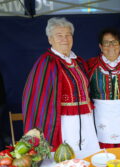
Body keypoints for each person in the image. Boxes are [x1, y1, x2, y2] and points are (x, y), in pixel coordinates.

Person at [22, 17, 100, 152]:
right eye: (59, 35)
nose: (65, 39)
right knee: (68, 156)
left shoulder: (78, 61)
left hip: (86, 119)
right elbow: (38, 98)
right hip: (63, 122)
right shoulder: (47, 62)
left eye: (68, 35)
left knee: (88, 152)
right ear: (50, 39)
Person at [87, 28, 120, 148]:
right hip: (100, 114)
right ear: (100, 46)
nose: (111, 46)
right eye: (106, 42)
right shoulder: (91, 65)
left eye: (114, 42)